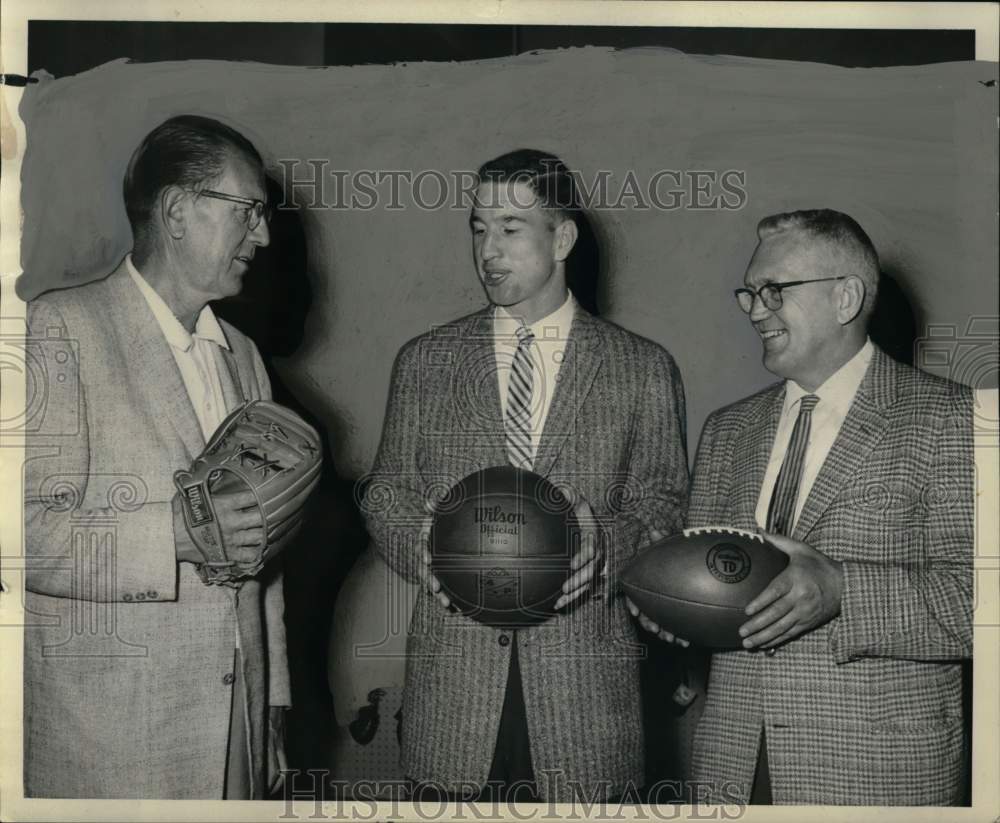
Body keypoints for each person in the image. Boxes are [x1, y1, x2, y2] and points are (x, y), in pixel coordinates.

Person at [362, 149, 689, 804]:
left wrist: (605, 547)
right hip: (452, 704)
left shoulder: (642, 367)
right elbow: (386, 492)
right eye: (479, 227)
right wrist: (423, 549)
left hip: (585, 708)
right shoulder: (425, 361)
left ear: (561, 238)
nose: (489, 249)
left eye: (511, 228)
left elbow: (667, 507)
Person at [631, 209, 974, 805]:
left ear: (846, 298)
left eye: (774, 290)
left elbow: (981, 601)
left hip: (875, 778)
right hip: (731, 768)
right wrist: (673, 614)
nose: (755, 310)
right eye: (750, 292)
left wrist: (842, 589)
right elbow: (712, 587)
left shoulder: (953, 419)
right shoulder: (726, 431)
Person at [23, 115, 291, 799]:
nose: (263, 235)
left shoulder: (244, 356)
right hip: (112, 739)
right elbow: (18, 532)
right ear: (176, 211)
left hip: (236, 725)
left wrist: (272, 703)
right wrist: (171, 535)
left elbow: (263, 550)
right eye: (248, 210)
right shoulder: (61, 329)